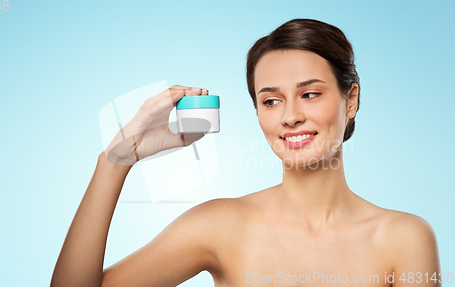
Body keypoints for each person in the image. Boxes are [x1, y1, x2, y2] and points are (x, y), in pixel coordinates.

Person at [50, 18, 441, 287]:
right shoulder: (220, 225)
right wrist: (116, 160)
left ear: (350, 100)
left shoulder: (404, 239)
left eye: (310, 94)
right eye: (270, 101)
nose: (290, 116)